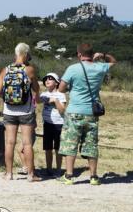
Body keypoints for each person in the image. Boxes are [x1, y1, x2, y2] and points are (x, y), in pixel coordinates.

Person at [57, 44, 116, 186]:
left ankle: (69, 176)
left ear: (79, 54)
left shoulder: (73, 68)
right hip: (92, 112)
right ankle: (94, 176)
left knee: (70, 143)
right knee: (91, 145)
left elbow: (61, 88)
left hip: (74, 111)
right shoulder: (100, 67)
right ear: (93, 54)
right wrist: (102, 55)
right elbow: (113, 61)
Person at [0, 43, 41, 182]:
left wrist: (8, 99)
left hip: (9, 111)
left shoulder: (5, 70)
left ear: (16, 54)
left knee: (10, 143)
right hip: (26, 111)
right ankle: (30, 175)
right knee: (27, 143)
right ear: (26, 54)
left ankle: (9, 174)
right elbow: (36, 89)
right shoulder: (29, 70)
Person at [40, 72, 66, 176]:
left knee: (58, 148)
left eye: (51, 79)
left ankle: (58, 169)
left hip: (58, 124)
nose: (47, 80)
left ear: (56, 83)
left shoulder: (61, 95)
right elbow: (36, 100)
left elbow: (62, 111)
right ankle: (49, 169)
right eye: (46, 79)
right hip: (47, 124)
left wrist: (55, 101)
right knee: (48, 148)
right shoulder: (43, 94)